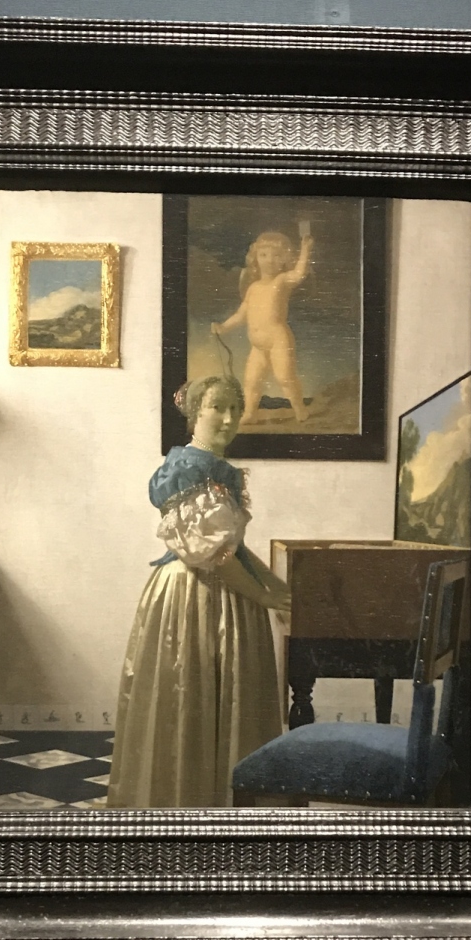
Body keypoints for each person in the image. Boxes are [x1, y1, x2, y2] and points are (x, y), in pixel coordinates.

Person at [107, 375, 290, 808]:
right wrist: (263, 597)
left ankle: (223, 803)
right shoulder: (188, 468)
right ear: (195, 413)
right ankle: (187, 803)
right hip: (195, 595)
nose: (228, 419)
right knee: (190, 698)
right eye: (217, 407)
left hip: (222, 590)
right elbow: (213, 555)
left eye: (235, 409)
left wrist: (274, 583)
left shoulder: (214, 469)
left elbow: (232, 547)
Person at [210, 224, 314, 425]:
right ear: (255, 258)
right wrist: (223, 327)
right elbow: (241, 315)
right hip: (257, 346)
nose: (269, 260)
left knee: (284, 377)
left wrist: (306, 250)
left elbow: (299, 273)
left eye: (276, 256)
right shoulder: (253, 288)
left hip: (278, 340)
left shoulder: (282, 281)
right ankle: (250, 413)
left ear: (284, 260)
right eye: (264, 255)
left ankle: (299, 408)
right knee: (251, 381)